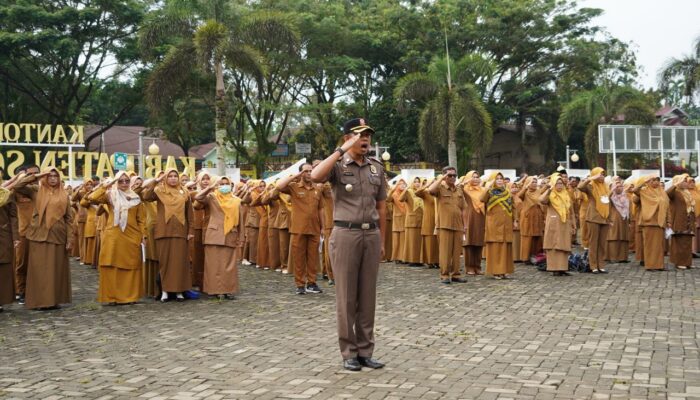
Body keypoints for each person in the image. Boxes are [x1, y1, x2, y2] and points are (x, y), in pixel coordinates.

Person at [310, 117, 386, 372]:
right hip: (345, 234)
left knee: (367, 296)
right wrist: (340, 151)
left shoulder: (376, 167)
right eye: (359, 135)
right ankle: (349, 352)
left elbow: (381, 206)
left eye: (368, 135)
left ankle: (366, 351)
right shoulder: (337, 164)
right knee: (346, 297)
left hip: (371, 235)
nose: (365, 139)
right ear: (347, 138)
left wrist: (382, 239)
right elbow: (315, 176)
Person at [14, 167, 74, 310]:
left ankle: (54, 300)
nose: (53, 178)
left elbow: (69, 218)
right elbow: (18, 186)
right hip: (38, 236)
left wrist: (69, 238)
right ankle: (40, 301)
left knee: (56, 269)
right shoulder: (36, 190)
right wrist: (37, 176)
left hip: (58, 236)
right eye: (49, 176)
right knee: (39, 270)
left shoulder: (64, 195)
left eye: (55, 176)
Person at [88, 171, 146, 305]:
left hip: (131, 236)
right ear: (116, 182)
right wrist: (107, 185)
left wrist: (143, 236)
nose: (124, 183)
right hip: (113, 236)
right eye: (120, 181)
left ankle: (129, 297)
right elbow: (92, 198)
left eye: (127, 181)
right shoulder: (110, 195)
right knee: (111, 265)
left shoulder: (135, 198)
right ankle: (111, 297)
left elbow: (141, 220)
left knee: (130, 266)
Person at [141, 168, 194, 301]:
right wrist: (156, 181)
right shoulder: (159, 191)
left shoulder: (185, 192)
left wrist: (190, 232)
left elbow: (190, 214)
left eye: (175, 176)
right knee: (165, 262)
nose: (173, 178)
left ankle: (179, 292)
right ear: (165, 178)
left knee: (179, 263)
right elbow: (146, 196)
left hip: (181, 232)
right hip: (163, 232)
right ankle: (165, 291)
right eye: (169, 176)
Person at [277, 163, 324, 295]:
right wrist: (296, 175)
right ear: (301, 173)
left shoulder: (317, 188)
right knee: (299, 258)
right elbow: (279, 186)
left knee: (313, 257)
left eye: (311, 171)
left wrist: (323, 226)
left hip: (314, 227)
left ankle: (312, 283)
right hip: (299, 228)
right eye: (306, 171)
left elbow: (320, 208)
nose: (309, 173)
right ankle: (300, 284)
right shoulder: (293, 187)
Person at [194, 176, 243, 298]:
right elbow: (198, 198)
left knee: (229, 265)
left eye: (227, 184)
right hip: (214, 235)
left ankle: (228, 290)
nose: (224, 186)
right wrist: (210, 187)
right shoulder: (212, 197)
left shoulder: (236, 200)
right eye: (221, 184)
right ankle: (214, 290)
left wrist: (241, 237)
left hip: (230, 234)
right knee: (213, 265)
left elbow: (241, 221)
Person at [428, 167, 468, 284]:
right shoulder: (440, 188)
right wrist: (441, 179)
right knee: (445, 252)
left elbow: (464, 208)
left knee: (456, 252)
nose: (452, 178)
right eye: (449, 175)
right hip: (444, 225)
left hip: (458, 225)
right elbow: (430, 190)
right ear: (444, 176)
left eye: (454, 175)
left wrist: (465, 225)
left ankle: (456, 274)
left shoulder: (459, 190)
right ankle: (444, 275)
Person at [480, 171, 515, 279]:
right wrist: (488, 187)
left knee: (505, 247)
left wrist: (515, 220)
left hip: (506, 223)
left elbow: (513, 207)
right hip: (494, 223)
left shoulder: (507, 192)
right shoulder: (490, 192)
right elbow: (482, 199)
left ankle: (504, 271)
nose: (499, 180)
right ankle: (496, 271)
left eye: (501, 178)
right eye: (497, 178)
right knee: (496, 247)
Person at [539, 173, 575, 276]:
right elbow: (541, 200)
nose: (560, 185)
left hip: (564, 223)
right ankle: (554, 268)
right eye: (557, 183)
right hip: (554, 223)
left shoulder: (566, 194)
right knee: (554, 245)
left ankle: (563, 268)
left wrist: (573, 224)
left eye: (561, 183)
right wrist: (549, 189)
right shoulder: (551, 194)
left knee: (563, 245)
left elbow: (570, 211)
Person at [632, 175, 669, 271]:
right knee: (650, 245)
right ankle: (650, 265)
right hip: (649, 222)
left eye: (658, 180)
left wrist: (668, 220)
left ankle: (659, 265)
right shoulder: (644, 191)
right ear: (649, 182)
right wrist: (644, 182)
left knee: (659, 245)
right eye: (653, 180)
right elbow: (635, 190)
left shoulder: (662, 192)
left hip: (660, 222)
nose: (656, 182)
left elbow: (667, 207)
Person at [577, 168, 611, 273]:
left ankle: (601, 264)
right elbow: (580, 186)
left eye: (603, 175)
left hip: (604, 218)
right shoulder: (591, 186)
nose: (602, 176)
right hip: (593, 218)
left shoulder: (605, 187)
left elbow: (607, 203)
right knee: (593, 242)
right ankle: (593, 265)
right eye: (600, 174)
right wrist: (591, 178)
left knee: (602, 243)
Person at [667, 174, 695, 270]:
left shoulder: (687, 192)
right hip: (679, 220)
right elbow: (667, 193)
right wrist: (675, 185)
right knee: (680, 243)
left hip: (688, 221)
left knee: (687, 243)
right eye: (684, 181)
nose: (686, 183)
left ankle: (687, 262)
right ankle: (679, 262)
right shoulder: (675, 192)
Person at [0, 173, 19, 312]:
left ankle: (2, 299)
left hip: (3, 235)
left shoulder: (7, 194)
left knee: (3, 268)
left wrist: (15, 237)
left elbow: (13, 216)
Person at [461, 171, 486, 275]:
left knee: (479, 242)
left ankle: (478, 266)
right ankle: (469, 267)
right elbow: (458, 186)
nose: (475, 179)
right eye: (473, 177)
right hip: (469, 218)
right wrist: (466, 182)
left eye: (477, 177)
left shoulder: (483, 190)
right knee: (469, 243)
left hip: (481, 217)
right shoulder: (465, 189)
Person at [517, 176, 544, 262]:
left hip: (537, 216)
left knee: (537, 236)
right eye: (532, 182)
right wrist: (525, 187)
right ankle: (525, 257)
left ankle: (536, 255)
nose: (535, 184)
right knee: (527, 236)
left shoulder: (539, 191)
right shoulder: (525, 192)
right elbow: (519, 195)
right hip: (527, 217)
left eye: (536, 182)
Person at [399, 177, 424, 267]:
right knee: (412, 241)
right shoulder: (408, 192)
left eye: (418, 182)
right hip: (411, 220)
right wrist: (406, 189)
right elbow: (400, 199)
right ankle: (411, 260)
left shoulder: (421, 192)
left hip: (421, 219)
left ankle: (419, 260)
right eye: (415, 182)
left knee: (418, 241)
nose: (417, 183)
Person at [415, 178, 438, 268]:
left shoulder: (438, 192)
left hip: (438, 218)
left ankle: (437, 260)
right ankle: (429, 260)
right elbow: (417, 193)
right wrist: (427, 185)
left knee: (437, 241)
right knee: (429, 240)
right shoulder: (425, 193)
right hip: (429, 219)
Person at [607, 177, 631, 263]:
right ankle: (613, 257)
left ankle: (623, 257)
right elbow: (606, 198)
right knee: (614, 237)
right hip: (614, 219)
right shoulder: (611, 197)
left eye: (621, 186)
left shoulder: (625, 196)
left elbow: (629, 210)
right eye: (617, 186)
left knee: (624, 238)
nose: (619, 188)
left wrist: (629, 221)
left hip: (624, 219)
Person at [388, 179, 407, 263]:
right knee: (396, 240)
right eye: (400, 184)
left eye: (404, 184)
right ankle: (396, 257)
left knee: (403, 239)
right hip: (397, 219)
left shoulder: (406, 193)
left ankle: (403, 257)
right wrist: (392, 190)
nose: (402, 185)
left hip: (406, 218)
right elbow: (387, 199)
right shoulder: (394, 194)